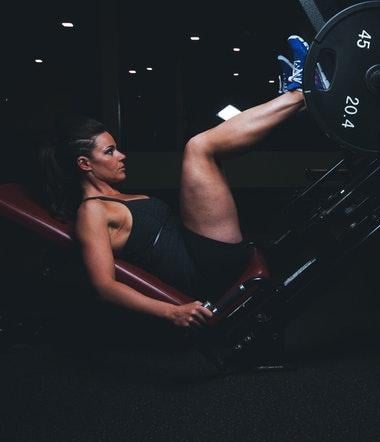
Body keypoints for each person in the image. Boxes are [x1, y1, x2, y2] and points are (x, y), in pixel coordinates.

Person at [39, 35, 322, 328]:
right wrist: (171, 311)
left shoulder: (114, 197)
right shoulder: (91, 212)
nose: (122, 156)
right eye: (110, 152)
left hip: (201, 250)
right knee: (198, 148)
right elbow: (104, 286)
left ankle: (297, 99)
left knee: (205, 151)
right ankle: (301, 92)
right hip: (203, 268)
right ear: (84, 164)